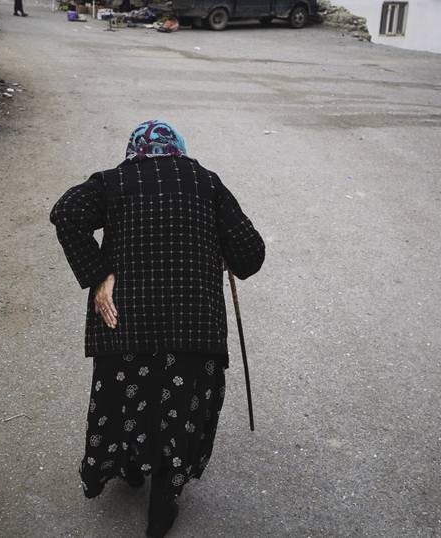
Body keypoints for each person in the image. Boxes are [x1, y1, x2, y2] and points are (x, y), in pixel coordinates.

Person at [50, 120, 265, 538]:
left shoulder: (113, 181)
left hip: (125, 321)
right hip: (193, 325)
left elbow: (66, 213)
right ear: (177, 150)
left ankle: (129, 464)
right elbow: (251, 255)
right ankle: (162, 502)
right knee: (179, 410)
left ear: (135, 151)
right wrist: (226, 252)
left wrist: (99, 274)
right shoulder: (206, 182)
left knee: (125, 396)